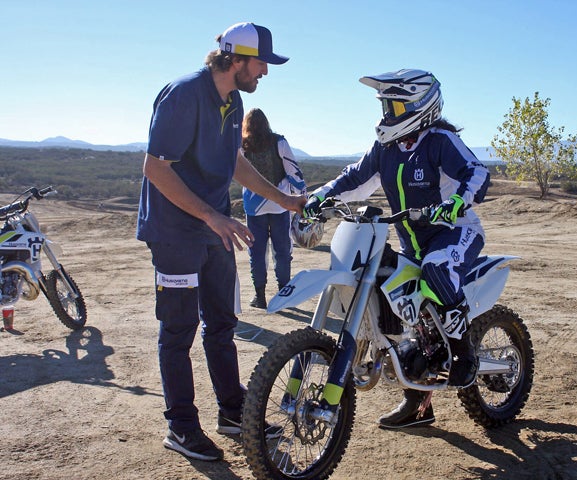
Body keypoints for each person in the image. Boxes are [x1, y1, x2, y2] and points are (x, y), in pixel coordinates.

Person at [136, 22, 304, 462]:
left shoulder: (235, 99)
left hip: (214, 229)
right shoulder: (184, 94)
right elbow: (155, 169)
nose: (265, 71)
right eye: (261, 62)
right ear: (237, 59)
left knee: (222, 323)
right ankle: (182, 427)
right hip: (175, 233)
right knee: (178, 331)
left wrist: (282, 198)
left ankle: (232, 411)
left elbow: (234, 163)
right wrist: (212, 215)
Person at [303, 69, 490, 429]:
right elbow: (354, 178)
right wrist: (320, 196)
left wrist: (457, 201)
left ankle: (464, 352)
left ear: (421, 106)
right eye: (387, 105)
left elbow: (477, 173)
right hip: (412, 242)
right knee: (397, 300)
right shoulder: (386, 149)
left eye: (397, 105)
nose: (389, 113)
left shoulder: (439, 141)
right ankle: (417, 402)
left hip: (455, 234)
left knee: (436, 269)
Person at [241, 108, 307, 309]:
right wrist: (303, 197)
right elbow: (293, 172)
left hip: (253, 206)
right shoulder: (279, 141)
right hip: (280, 205)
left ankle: (259, 296)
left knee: (257, 252)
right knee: (282, 251)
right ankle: (283, 293)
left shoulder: (242, 145)